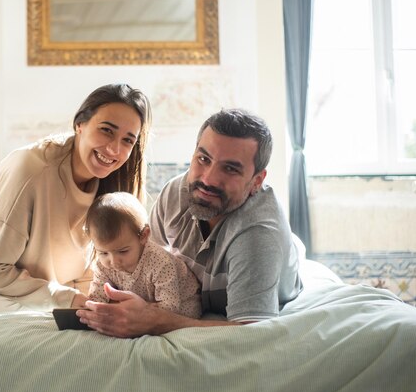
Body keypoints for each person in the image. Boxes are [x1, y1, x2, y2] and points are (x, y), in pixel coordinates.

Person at [78, 108, 303, 337]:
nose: (208, 179)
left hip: (275, 265)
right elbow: (146, 260)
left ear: (257, 181)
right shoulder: (177, 192)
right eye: (203, 159)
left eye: (230, 169)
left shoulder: (258, 235)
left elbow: (252, 332)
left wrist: (156, 321)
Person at [0, 83, 151, 313]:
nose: (114, 149)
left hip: (70, 293)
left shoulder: (119, 186)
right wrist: (65, 298)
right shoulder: (29, 171)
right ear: (80, 124)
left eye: (128, 140)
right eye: (107, 130)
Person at [85, 192, 201, 319]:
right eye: (103, 253)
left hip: (182, 308)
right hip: (144, 304)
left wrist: (139, 309)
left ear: (144, 236)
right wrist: (93, 308)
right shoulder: (102, 265)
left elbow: (170, 308)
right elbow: (97, 296)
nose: (113, 261)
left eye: (123, 251)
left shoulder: (161, 263)